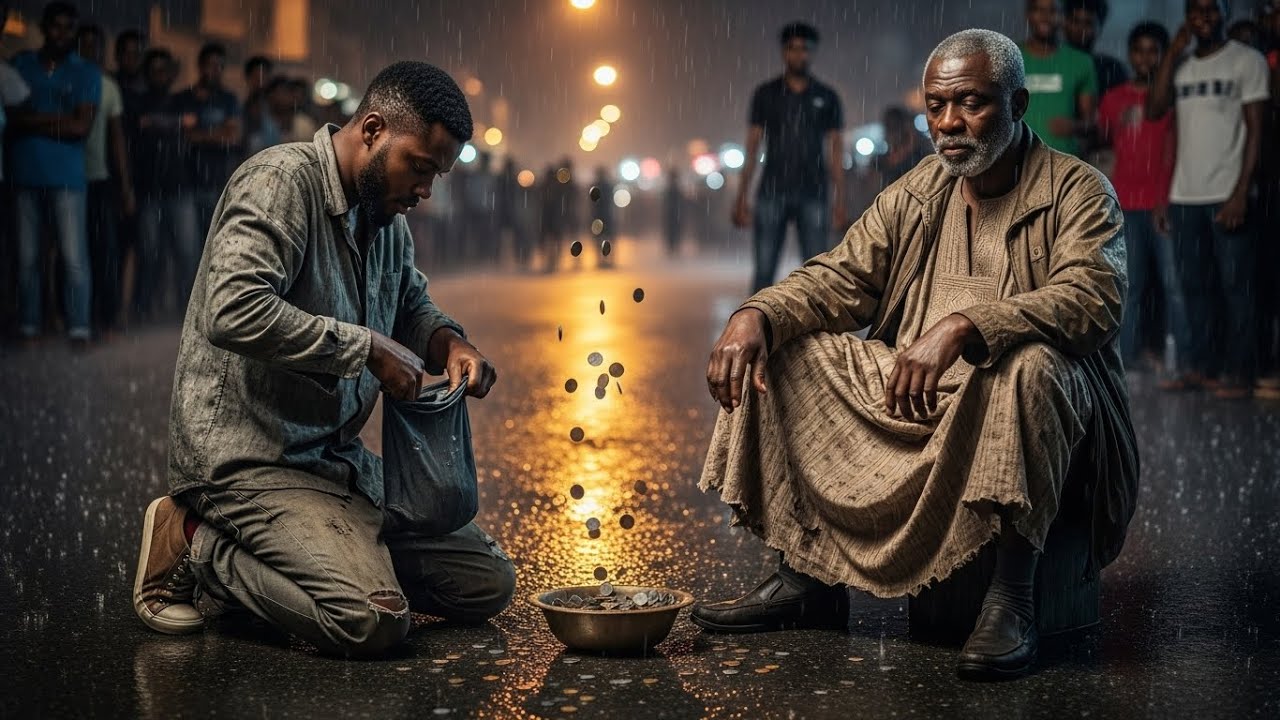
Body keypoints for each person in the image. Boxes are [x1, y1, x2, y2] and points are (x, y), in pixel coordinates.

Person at [694, 29, 1136, 682]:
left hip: (1024, 406)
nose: (950, 124)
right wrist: (756, 314)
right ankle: (806, 575)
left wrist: (967, 325)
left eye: (972, 103)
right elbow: (841, 277)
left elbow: (1093, 298)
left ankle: (1012, 597)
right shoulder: (920, 189)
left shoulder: (1078, 191)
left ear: (1017, 106)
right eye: (937, 106)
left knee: (1032, 370)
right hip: (917, 396)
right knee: (791, 353)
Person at [131, 61, 512, 657]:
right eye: (419, 166)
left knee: (486, 585)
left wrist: (450, 343)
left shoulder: (385, 216)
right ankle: (196, 541)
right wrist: (365, 347)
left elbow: (410, 303)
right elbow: (230, 308)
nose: (425, 190)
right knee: (373, 622)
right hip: (251, 460)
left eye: (437, 175)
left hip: (335, 462)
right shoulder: (281, 181)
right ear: (373, 129)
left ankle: (322, 561)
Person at [1147, 0, 1270, 398]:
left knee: (1237, 289)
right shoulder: (1181, 65)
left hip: (1227, 193)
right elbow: (1154, 110)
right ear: (1187, 16)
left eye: (1212, 9)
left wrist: (1241, 191)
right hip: (1185, 195)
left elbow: (1257, 131)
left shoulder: (1247, 61)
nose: (1204, 17)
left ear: (1224, 14)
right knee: (1195, 287)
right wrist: (1172, 52)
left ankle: (1240, 373)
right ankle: (1203, 368)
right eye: (1196, 10)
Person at [8, 2, 100, 346]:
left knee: (74, 257)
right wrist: (59, 119)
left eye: (68, 27)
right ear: (44, 27)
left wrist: (31, 119)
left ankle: (79, 328)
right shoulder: (20, 64)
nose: (62, 33)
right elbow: (9, 120)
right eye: (56, 26)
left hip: (67, 178)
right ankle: (30, 325)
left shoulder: (85, 71)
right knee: (27, 258)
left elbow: (80, 127)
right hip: (25, 174)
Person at [1098, 22, 1185, 376]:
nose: (1146, 57)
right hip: (1124, 202)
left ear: (1164, 55)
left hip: (1164, 202)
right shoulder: (1114, 99)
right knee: (1128, 287)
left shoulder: (1172, 97)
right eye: (1140, 50)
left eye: (1154, 50)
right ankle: (1127, 360)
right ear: (1130, 54)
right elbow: (1102, 142)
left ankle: (1179, 361)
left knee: (1172, 285)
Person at [733, 21, 845, 294]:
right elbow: (752, 146)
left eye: (805, 49)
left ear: (813, 52)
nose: (799, 55)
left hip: (814, 191)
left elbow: (836, 150)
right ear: (783, 52)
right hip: (772, 189)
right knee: (763, 271)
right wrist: (742, 196)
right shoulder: (766, 94)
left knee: (818, 273)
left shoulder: (827, 97)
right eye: (793, 49)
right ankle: (758, 332)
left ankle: (818, 331)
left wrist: (840, 200)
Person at [77, 24, 135, 338]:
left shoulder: (107, 86)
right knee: (69, 253)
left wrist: (125, 187)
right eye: (85, 46)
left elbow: (117, 140)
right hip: (67, 177)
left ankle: (106, 318)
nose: (91, 52)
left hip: (99, 179)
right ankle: (72, 318)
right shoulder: (68, 79)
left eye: (95, 47)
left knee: (104, 251)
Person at [131, 48, 194, 321]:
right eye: (155, 70)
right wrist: (177, 124)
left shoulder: (183, 99)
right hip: (148, 187)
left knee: (187, 252)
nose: (160, 75)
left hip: (180, 186)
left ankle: (188, 309)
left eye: (164, 69)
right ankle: (143, 307)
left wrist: (160, 123)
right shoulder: (138, 100)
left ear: (172, 73)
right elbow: (139, 125)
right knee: (149, 253)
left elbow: (192, 124)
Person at [175, 42, 241, 248]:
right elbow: (185, 136)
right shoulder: (184, 98)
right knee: (188, 249)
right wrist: (216, 134)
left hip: (217, 181)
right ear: (200, 66)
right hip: (186, 181)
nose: (215, 71)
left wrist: (200, 135)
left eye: (220, 66)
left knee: (214, 245)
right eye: (211, 65)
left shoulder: (228, 99)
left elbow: (231, 137)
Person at [1021, 0, 1098, 156]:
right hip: (1018, 161)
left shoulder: (1081, 62)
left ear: (1063, 17)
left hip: (1064, 163)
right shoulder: (1011, 57)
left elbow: (1091, 124)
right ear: (1028, 15)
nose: (1045, 17)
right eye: (1039, 10)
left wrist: (1074, 127)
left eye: (1052, 11)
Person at [1064, 0, 1128, 92]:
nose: (1081, 29)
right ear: (1064, 23)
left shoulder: (1111, 69)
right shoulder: (1048, 61)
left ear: (1099, 29)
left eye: (1088, 23)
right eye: (1075, 21)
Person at [876, 105, 930, 188]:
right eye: (889, 127)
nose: (891, 134)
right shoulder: (881, 162)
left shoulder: (920, 159)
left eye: (894, 127)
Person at [241, 55, 273, 151]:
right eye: (256, 76)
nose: (260, 81)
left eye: (264, 76)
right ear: (248, 78)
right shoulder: (242, 105)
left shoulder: (274, 105)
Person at [112, 29, 145, 96]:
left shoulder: (149, 86)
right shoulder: (107, 83)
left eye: (136, 53)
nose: (131, 58)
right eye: (127, 53)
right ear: (117, 55)